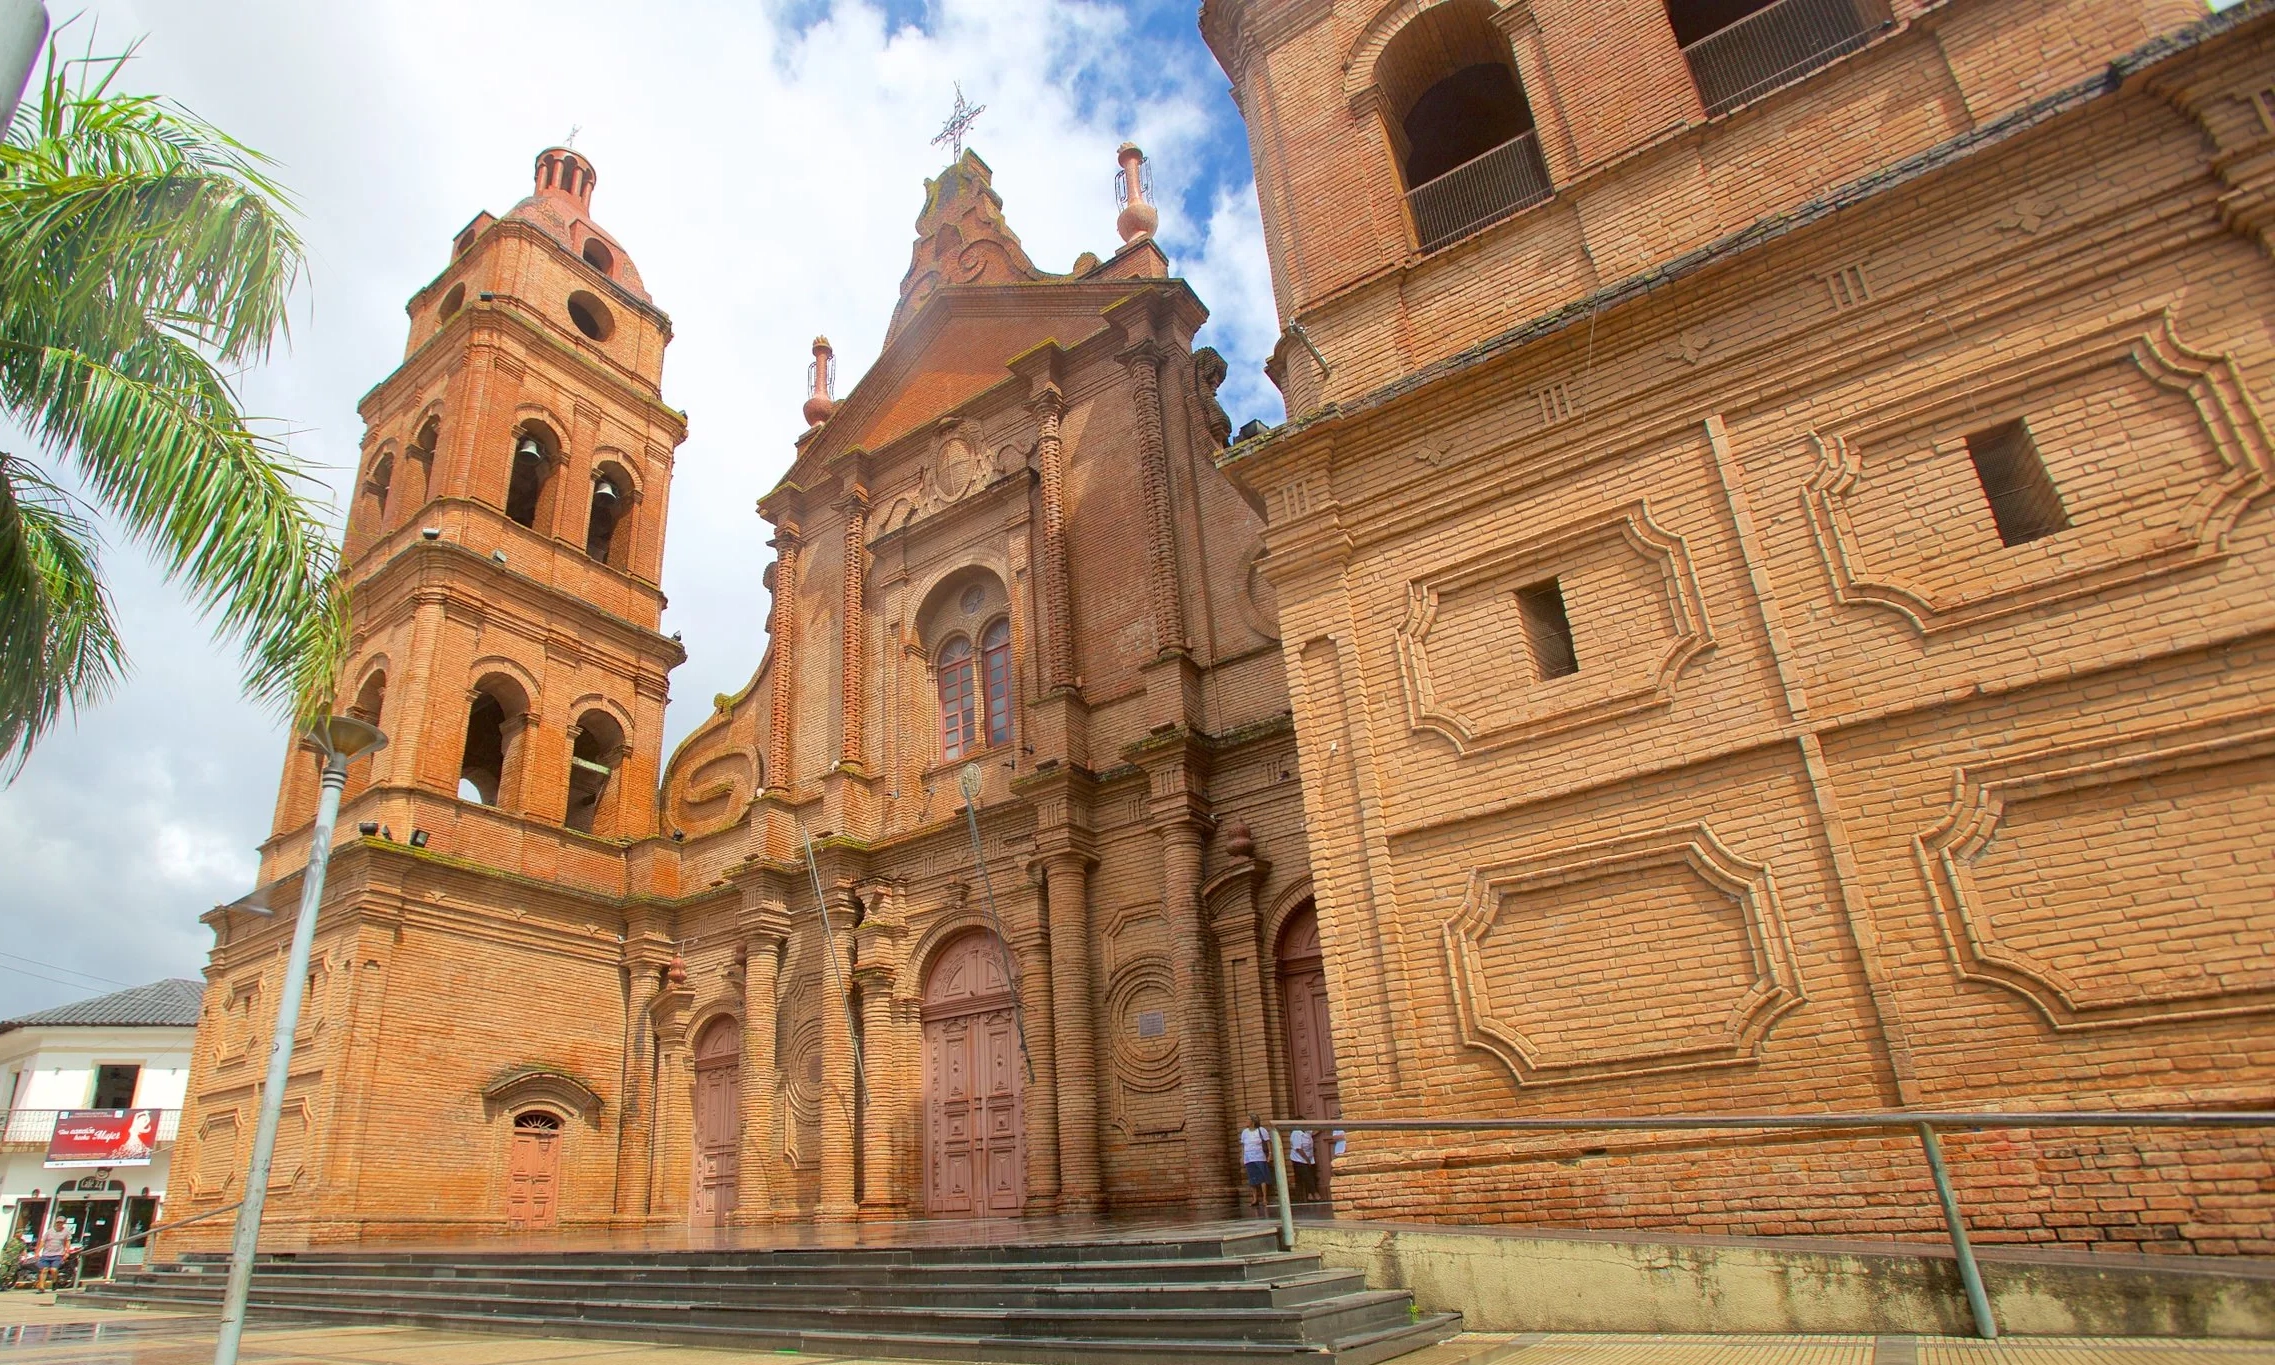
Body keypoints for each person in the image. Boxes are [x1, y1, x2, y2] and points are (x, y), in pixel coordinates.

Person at [1238, 1115, 1271, 1217]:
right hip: (1249, 1158)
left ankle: (1265, 1198)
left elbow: (1268, 1142)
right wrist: (1242, 1157)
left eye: (1247, 1119)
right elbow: (1243, 1145)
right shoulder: (1245, 1132)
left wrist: (1270, 1154)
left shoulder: (1261, 1130)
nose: (1246, 1121)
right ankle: (1255, 1198)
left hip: (1260, 1156)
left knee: (1262, 1178)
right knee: (1252, 1179)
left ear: (1253, 1121)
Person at [33, 1221, 71, 1292]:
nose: (59, 1224)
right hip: (46, 1254)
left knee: (53, 1270)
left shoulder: (66, 1232)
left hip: (58, 1254)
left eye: (61, 1223)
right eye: (58, 1222)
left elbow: (68, 1242)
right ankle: (41, 1287)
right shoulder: (49, 1231)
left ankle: (54, 1281)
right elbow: (43, 1241)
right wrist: (37, 1252)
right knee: (43, 1270)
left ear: (63, 1224)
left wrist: (67, 1252)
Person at [1289, 1126, 1318, 1203]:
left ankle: (1310, 1195)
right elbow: (1298, 1149)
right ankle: (1313, 1194)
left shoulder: (1307, 1130)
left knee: (1311, 1175)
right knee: (1306, 1177)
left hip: (1309, 1159)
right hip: (1299, 1159)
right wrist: (1307, 1159)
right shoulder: (1296, 1133)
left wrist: (1324, 1126)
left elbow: (1314, 1132)